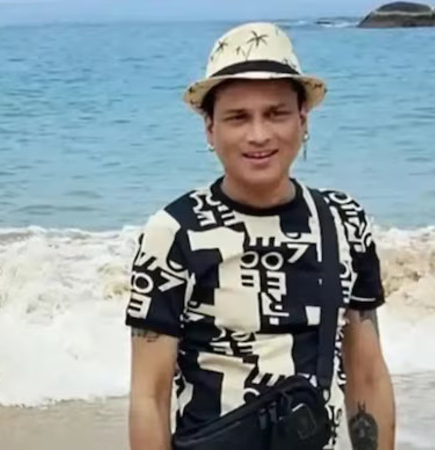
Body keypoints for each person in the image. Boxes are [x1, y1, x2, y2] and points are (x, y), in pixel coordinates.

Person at [125, 22, 396, 450]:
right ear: (210, 128)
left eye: (276, 113)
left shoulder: (343, 221)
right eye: (238, 117)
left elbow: (367, 374)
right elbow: (148, 397)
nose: (258, 135)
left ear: (303, 119)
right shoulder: (174, 233)